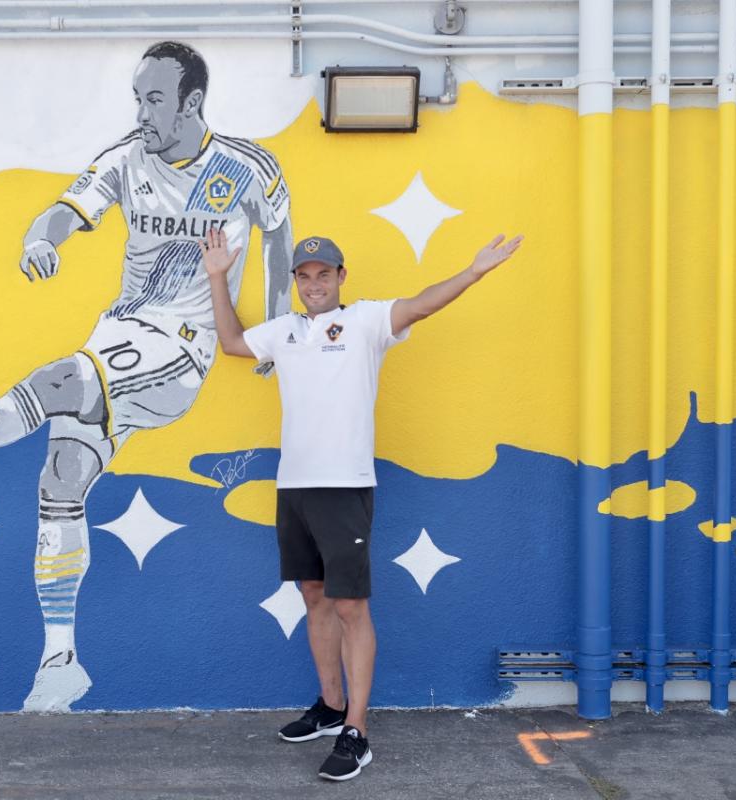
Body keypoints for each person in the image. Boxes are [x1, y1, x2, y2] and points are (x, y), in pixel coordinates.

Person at [0, 41, 294, 712]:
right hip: (117, 335)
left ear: (192, 102)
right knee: (61, 481)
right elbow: (68, 208)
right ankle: (60, 660)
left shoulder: (246, 167)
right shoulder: (125, 157)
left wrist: (276, 331)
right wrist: (40, 240)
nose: (141, 112)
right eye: (137, 98)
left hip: (181, 346)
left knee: (57, 383)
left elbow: (280, 241)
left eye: (154, 99)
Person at [201, 227, 522, 781]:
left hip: (345, 485)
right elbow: (231, 342)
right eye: (304, 276)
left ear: (341, 277)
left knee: (351, 606)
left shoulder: (367, 322)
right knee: (314, 594)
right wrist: (217, 277)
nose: (313, 283)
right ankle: (328, 707)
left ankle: (357, 730)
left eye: (324, 274)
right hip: (294, 486)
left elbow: (422, 304)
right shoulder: (285, 331)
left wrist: (474, 271)